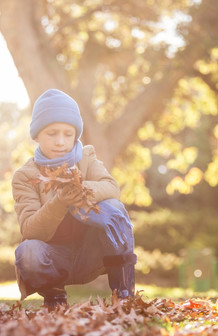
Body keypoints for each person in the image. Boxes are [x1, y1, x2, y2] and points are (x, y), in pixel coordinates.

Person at [12, 88, 137, 308]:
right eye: (52, 133)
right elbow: (30, 230)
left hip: (91, 253)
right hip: (52, 256)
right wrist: (59, 202)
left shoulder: (86, 158)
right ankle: (54, 297)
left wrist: (82, 189)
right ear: (37, 134)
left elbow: (111, 187)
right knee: (27, 251)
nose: (60, 141)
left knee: (114, 207)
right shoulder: (25, 176)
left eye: (68, 134)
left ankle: (124, 294)